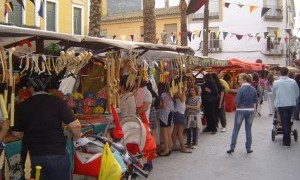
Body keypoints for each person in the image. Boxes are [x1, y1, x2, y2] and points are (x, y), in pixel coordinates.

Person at [11, 77, 82, 179]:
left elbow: (16, 133)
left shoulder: (22, 106)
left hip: (31, 156)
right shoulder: (57, 102)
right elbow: (76, 125)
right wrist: (77, 137)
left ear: (31, 88)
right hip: (56, 154)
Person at [227, 73, 257, 154]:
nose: (238, 81)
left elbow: (237, 101)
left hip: (241, 110)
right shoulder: (253, 89)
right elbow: (255, 101)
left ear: (244, 80)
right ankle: (248, 148)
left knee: (236, 129)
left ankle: (232, 147)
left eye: (239, 79)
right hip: (250, 110)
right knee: (248, 129)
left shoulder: (240, 89)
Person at [272, 67, 299, 147]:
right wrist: (293, 99)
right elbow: (297, 93)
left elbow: (274, 94)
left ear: (280, 72)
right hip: (291, 104)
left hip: (281, 105)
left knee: (284, 122)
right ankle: (287, 139)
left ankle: (286, 142)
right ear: (287, 73)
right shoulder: (293, 81)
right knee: (288, 120)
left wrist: (275, 102)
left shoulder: (276, 83)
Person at [172, 84, 191, 153]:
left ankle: (174, 145)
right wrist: (183, 91)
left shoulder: (177, 92)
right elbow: (182, 100)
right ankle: (182, 147)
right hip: (179, 113)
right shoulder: (179, 92)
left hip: (178, 112)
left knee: (176, 130)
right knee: (180, 131)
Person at [158, 83, 174, 156]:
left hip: (164, 115)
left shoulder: (163, 95)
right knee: (168, 132)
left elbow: (164, 106)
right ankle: (169, 148)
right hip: (170, 113)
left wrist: (159, 105)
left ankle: (166, 150)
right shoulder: (170, 94)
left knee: (165, 133)